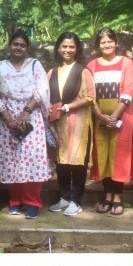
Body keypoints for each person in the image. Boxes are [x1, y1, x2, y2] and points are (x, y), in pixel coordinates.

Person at [0, 29, 50, 217]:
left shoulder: (35, 65)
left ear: (27, 48)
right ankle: (15, 200)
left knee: (32, 159)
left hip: (31, 118)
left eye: (22, 45)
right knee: (11, 159)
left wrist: (25, 112)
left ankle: (32, 202)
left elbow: (41, 89)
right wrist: (8, 118)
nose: (18, 48)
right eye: (15, 44)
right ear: (9, 45)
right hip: (7, 120)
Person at [87, 27, 133, 215]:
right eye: (102, 42)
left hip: (121, 117)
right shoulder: (92, 65)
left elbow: (129, 91)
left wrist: (114, 116)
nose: (107, 45)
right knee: (102, 156)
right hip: (99, 117)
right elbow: (89, 94)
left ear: (116, 43)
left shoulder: (126, 63)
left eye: (110, 41)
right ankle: (107, 194)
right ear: (98, 46)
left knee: (119, 156)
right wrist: (101, 116)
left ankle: (118, 196)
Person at [48, 31, 96, 216]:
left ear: (77, 49)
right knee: (61, 161)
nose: (67, 50)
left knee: (77, 161)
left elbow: (90, 97)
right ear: (58, 48)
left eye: (71, 46)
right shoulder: (52, 72)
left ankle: (76, 200)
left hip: (79, 123)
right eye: (64, 46)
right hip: (58, 124)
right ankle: (64, 197)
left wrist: (68, 107)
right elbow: (45, 96)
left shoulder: (83, 71)